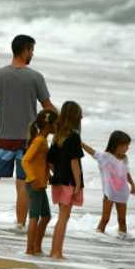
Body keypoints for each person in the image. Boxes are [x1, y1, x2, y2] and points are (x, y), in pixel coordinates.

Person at [0, 34, 57, 225]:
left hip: (4, 139)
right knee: (23, 186)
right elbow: (48, 107)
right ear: (25, 50)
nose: (32, 53)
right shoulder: (36, 77)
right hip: (28, 141)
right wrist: (65, 125)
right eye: (32, 50)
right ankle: (20, 226)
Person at [47, 100, 83, 259]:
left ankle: (54, 251)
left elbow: (49, 162)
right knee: (63, 217)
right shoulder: (74, 137)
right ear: (75, 117)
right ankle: (56, 252)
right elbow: (74, 162)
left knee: (63, 217)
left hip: (59, 180)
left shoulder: (57, 136)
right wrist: (78, 183)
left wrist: (57, 174)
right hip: (69, 181)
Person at [82, 130, 135, 235]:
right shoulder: (105, 157)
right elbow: (92, 152)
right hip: (109, 193)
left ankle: (122, 242)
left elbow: (126, 172)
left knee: (122, 220)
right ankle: (98, 238)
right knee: (105, 219)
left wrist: (132, 184)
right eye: (126, 146)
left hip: (122, 193)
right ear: (117, 145)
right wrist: (81, 143)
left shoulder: (124, 158)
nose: (127, 148)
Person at [21, 110, 57, 255]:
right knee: (34, 217)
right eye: (56, 123)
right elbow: (25, 160)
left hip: (41, 184)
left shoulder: (43, 139)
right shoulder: (39, 140)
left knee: (46, 216)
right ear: (49, 124)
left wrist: (51, 175)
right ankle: (30, 249)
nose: (58, 126)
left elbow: (42, 162)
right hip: (34, 184)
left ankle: (37, 246)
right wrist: (32, 178)